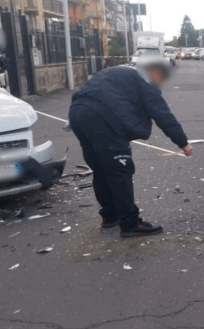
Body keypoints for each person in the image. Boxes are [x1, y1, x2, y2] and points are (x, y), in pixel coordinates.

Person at [69, 56, 193, 238]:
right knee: (120, 170)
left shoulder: (115, 71)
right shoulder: (145, 80)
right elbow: (162, 114)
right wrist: (183, 143)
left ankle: (110, 216)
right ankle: (130, 223)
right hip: (104, 120)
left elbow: (82, 94)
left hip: (77, 114)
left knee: (101, 168)